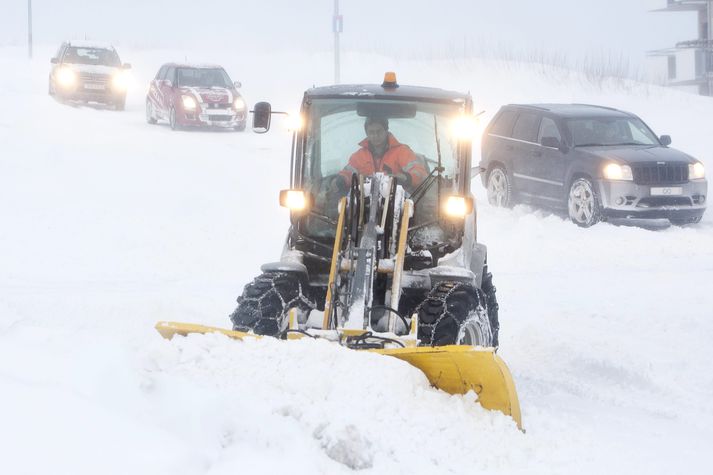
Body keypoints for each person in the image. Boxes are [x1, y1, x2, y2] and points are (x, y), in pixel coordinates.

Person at [333, 117, 427, 193]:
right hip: (363, 207)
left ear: (386, 131)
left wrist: (406, 178)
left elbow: (420, 172)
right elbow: (347, 174)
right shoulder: (358, 157)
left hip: (399, 206)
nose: (375, 136)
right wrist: (341, 180)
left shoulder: (402, 152)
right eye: (371, 132)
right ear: (366, 133)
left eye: (379, 131)